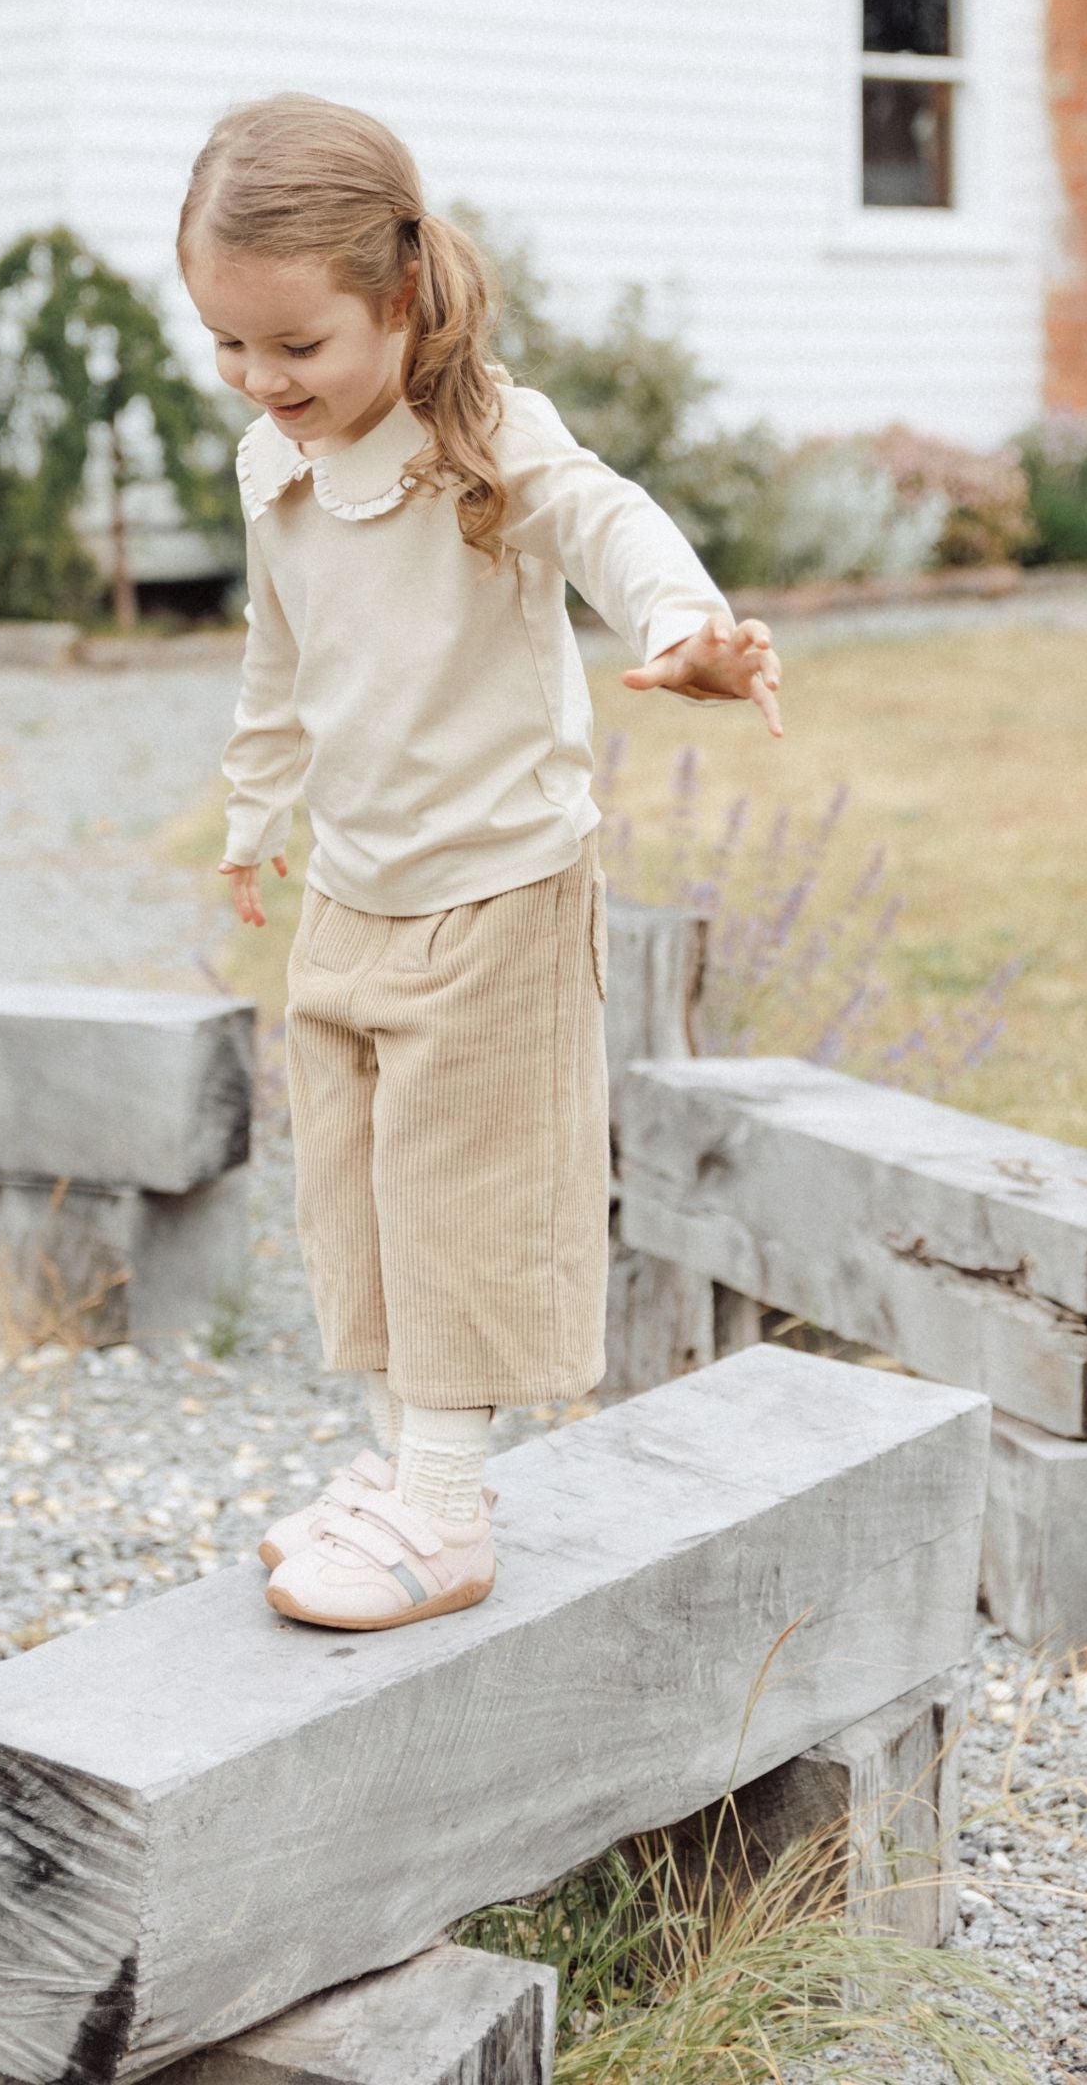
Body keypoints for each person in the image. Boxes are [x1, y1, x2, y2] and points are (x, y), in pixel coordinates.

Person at [177, 94, 783, 1634]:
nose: (262, 380)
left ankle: (445, 1512)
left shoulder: (483, 436)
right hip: (355, 886)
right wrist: (255, 808)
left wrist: (679, 632)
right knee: (365, 1190)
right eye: (231, 346)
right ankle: (401, 1467)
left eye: (295, 347)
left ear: (393, 300)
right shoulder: (277, 461)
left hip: (499, 887)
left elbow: (609, 524)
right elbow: (280, 653)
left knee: (465, 1193)